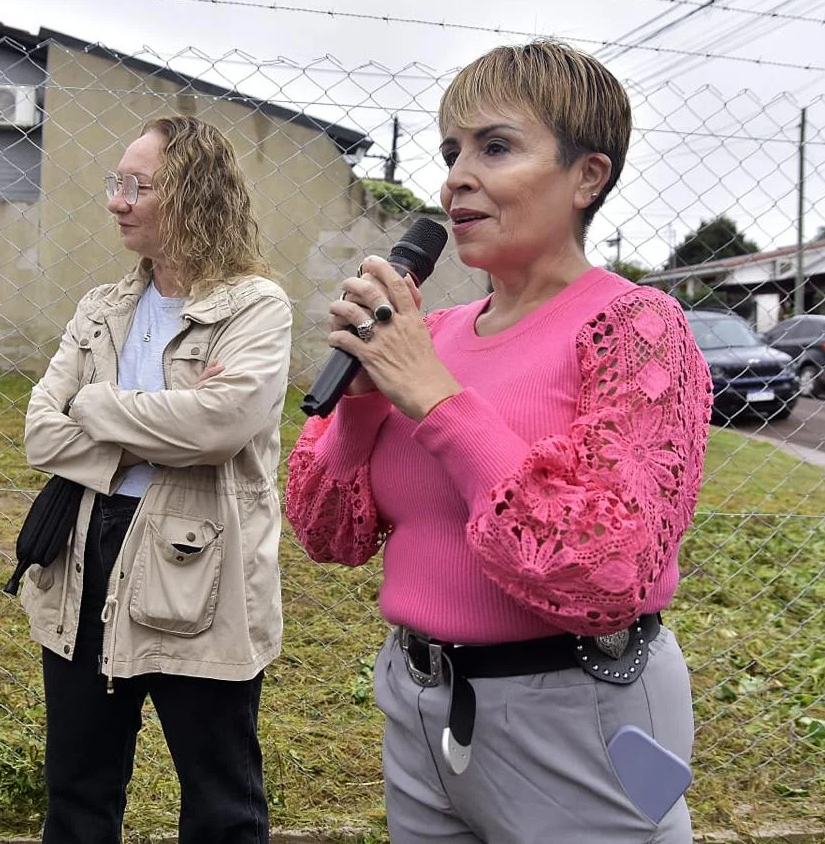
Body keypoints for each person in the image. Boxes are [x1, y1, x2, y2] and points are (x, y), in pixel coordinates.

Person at [285, 41, 713, 844]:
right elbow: (324, 533)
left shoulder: (635, 327)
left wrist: (436, 401)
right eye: (450, 151)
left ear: (588, 174)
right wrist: (363, 406)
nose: (454, 177)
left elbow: (609, 565)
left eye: (495, 146)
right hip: (418, 701)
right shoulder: (426, 334)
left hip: (577, 709)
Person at [20, 115, 291, 844]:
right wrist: (150, 437)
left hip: (200, 563)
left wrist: (96, 405)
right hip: (85, 546)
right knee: (77, 787)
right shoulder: (101, 307)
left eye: (138, 186)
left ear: (196, 195)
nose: (117, 200)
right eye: (117, 183)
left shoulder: (255, 307)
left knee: (220, 801)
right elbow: (40, 430)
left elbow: (218, 427)